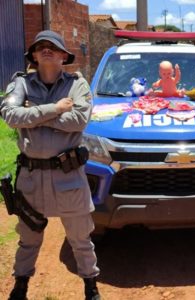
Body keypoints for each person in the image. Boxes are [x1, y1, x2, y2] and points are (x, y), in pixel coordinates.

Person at [1, 30, 101, 300]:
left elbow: (79, 120)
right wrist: (54, 109)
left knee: (80, 238)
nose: (46, 50)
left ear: (62, 56)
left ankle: (91, 287)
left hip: (68, 175)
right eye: (40, 46)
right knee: (28, 240)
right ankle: (20, 287)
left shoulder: (77, 84)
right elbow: (10, 115)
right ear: (33, 55)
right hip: (31, 177)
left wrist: (32, 115)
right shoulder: (21, 82)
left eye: (53, 47)